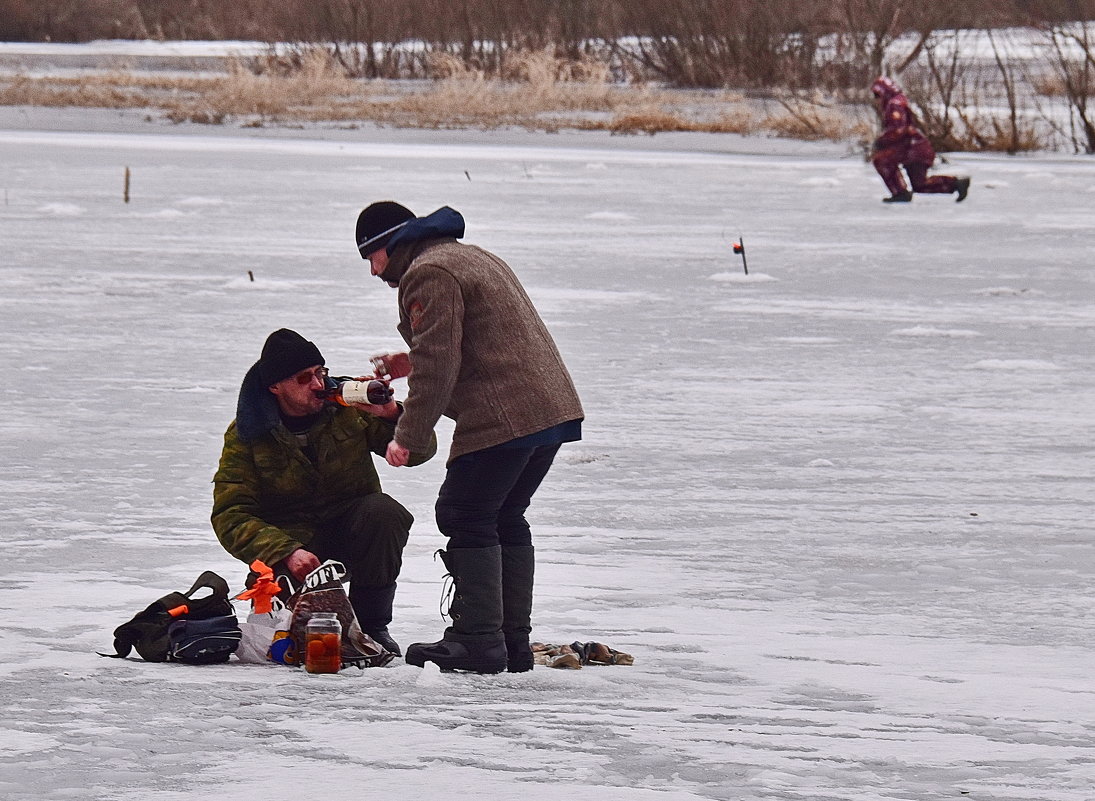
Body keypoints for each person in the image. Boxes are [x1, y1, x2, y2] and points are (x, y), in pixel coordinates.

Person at [354, 201, 584, 674]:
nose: (375, 273)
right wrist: (408, 361)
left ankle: (477, 640)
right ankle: (510, 642)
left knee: (464, 512)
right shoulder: (472, 255)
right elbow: (479, 340)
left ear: (384, 248)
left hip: (504, 415)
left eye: (370, 260)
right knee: (502, 515)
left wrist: (407, 436)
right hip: (548, 410)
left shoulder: (428, 273)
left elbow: (440, 366)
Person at [211, 328, 436, 656]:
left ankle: (373, 627)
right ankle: (297, 621)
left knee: (384, 512)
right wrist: (286, 551)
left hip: (352, 529)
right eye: (304, 378)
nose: (318, 385)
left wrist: (390, 414)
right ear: (275, 386)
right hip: (294, 547)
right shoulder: (249, 433)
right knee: (297, 636)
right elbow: (230, 514)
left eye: (320, 373)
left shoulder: (347, 405)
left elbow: (421, 452)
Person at [870, 75, 970, 203]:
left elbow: (898, 130)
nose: (876, 100)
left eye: (877, 95)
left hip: (913, 149)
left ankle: (900, 192)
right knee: (920, 185)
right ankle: (956, 184)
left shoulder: (894, 105)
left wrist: (881, 142)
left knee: (881, 160)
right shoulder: (898, 102)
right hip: (917, 148)